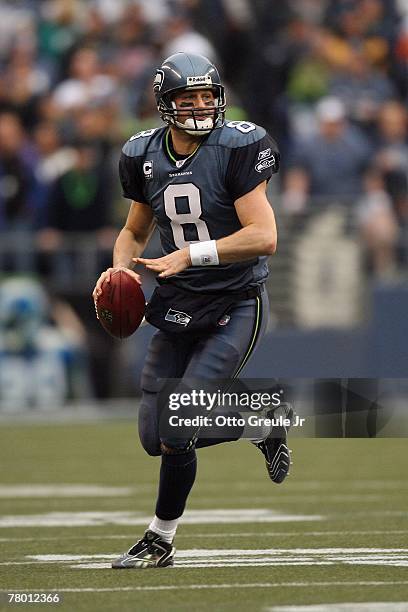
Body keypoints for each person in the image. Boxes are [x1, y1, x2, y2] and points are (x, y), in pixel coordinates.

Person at [93, 52, 291, 569]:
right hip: (179, 302)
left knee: (179, 422)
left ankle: (161, 538)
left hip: (234, 299)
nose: (202, 106)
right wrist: (119, 270)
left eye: (208, 95)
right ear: (165, 104)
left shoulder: (238, 146)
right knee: (152, 437)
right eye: (189, 97)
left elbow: (265, 237)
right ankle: (261, 420)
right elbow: (134, 231)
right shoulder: (141, 154)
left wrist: (189, 255)